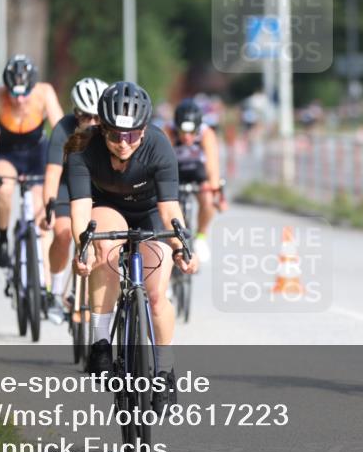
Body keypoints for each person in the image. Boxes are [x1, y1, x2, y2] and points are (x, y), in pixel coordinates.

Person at [67, 81, 198, 411]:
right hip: (108, 209)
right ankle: (100, 342)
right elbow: (80, 211)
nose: (123, 143)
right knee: (104, 249)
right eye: (115, 135)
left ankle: (164, 370)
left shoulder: (159, 145)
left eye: (132, 134)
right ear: (102, 128)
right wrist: (82, 250)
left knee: (156, 297)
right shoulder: (84, 149)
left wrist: (182, 246)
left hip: (151, 212)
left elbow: (169, 209)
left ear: (144, 130)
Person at [0, 55, 65, 269]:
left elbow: (61, 130)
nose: (20, 100)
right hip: (7, 153)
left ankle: (44, 280)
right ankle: (3, 238)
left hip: (38, 154)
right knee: (4, 189)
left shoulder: (45, 92)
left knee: (41, 210)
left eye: (25, 93)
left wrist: (68, 159)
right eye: (14, 94)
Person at [39, 76, 108, 324]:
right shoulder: (63, 129)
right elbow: (52, 173)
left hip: (96, 185)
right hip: (66, 185)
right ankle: (56, 293)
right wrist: (48, 209)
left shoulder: (109, 131)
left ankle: (90, 294)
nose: (93, 123)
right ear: (76, 113)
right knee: (63, 233)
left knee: (102, 237)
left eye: (98, 117)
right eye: (86, 117)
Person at [162, 98, 227, 262]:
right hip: (175, 171)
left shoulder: (206, 133)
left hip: (197, 171)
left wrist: (214, 187)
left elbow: (212, 164)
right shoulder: (168, 131)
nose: (187, 137)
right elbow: (161, 161)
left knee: (208, 200)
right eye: (182, 132)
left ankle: (201, 237)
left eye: (192, 133)